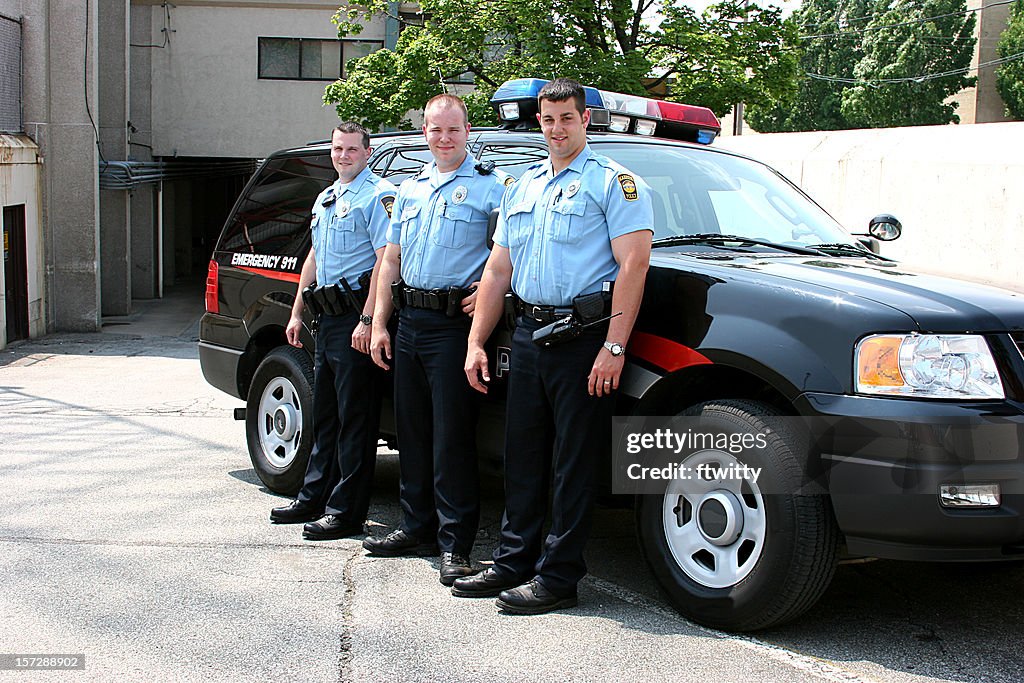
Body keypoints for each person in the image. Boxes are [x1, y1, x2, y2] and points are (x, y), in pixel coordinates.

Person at [454, 78, 654, 614]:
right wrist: (476, 343)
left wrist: (613, 347)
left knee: (572, 464)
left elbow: (634, 265)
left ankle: (558, 578)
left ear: (585, 119)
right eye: (548, 119)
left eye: (567, 117)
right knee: (522, 455)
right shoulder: (523, 186)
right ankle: (512, 562)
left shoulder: (616, 183)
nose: (557, 128)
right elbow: (498, 270)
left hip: (582, 338)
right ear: (538, 121)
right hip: (527, 336)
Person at [365, 94, 508, 586]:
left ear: (469, 131)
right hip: (410, 324)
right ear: (423, 131)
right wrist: (381, 322)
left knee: (451, 440)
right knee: (413, 433)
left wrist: (490, 291)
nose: (444, 138)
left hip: (454, 329)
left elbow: (509, 255)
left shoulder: (493, 190)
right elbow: (390, 261)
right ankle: (415, 525)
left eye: (453, 130)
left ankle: (456, 545)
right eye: (435, 130)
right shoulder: (409, 190)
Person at [270, 122, 396, 541]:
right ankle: (313, 497)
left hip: (354, 320)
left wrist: (367, 318)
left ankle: (346, 511)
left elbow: (384, 261)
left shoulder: (377, 196)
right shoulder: (326, 198)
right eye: (338, 149)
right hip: (325, 319)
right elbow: (314, 257)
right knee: (325, 415)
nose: (344, 155)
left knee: (355, 422)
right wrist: (296, 311)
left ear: (367, 151)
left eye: (352, 149)